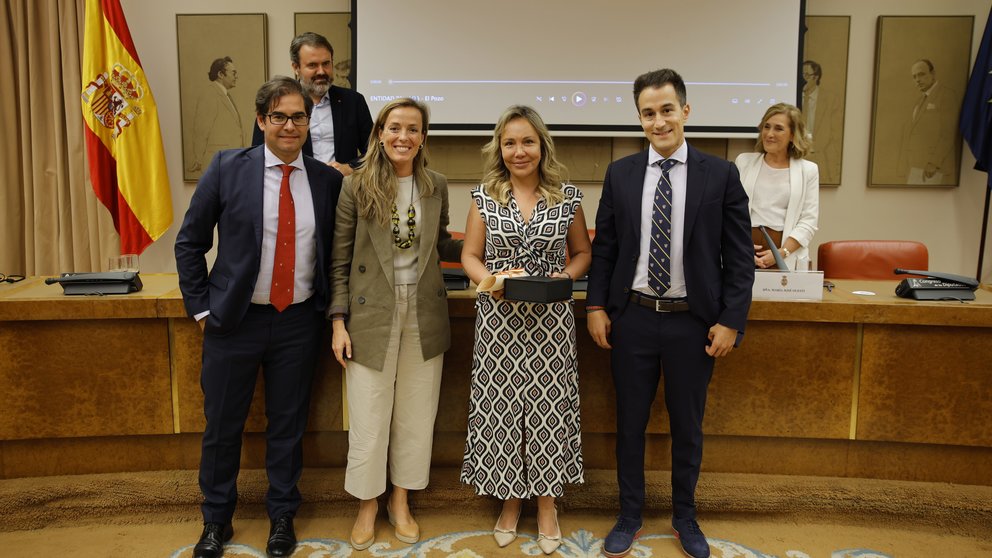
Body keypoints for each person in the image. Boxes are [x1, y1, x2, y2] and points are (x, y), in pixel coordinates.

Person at [586, 68, 753, 558]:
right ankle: (630, 514)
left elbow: (740, 259)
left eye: (666, 110)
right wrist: (596, 305)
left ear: (685, 110)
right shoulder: (621, 173)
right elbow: (606, 250)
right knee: (630, 423)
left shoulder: (720, 174)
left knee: (687, 425)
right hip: (632, 318)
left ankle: (685, 516)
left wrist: (731, 320)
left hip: (693, 323)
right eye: (647, 113)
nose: (658, 121)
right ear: (639, 119)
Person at [175, 76, 341, 558]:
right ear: (261, 120)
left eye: (299, 117)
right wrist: (203, 307)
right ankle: (216, 520)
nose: (290, 125)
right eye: (280, 116)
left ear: (308, 122)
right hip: (235, 321)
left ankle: (282, 517)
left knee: (287, 426)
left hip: (298, 324)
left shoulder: (327, 180)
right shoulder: (228, 167)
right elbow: (190, 242)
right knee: (223, 424)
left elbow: (333, 253)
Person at [329, 98, 462, 550]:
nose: (403, 136)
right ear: (380, 133)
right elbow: (340, 260)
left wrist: (486, 237)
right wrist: (338, 321)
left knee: (416, 413)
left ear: (424, 137)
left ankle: (400, 500)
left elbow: (443, 242)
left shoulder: (436, 185)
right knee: (369, 414)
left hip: (423, 311)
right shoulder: (356, 186)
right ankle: (368, 503)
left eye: (413, 129)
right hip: (371, 312)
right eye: (394, 128)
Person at [460, 105, 591, 555]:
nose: (519, 151)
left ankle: (548, 504)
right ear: (500, 146)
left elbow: (582, 254)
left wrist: (566, 277)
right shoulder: (484, 196)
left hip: (551, 324)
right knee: (502, 411)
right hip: (499, 324)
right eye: (510, 142)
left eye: (528, 142)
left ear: (542, 146)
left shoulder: (567, 197)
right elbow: (469, 256)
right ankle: (511, 502)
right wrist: (491, 282)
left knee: (548, 411)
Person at [252, 32, 373, 176]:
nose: (321, 71)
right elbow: (259, 152)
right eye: (313, 65)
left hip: (343, 189)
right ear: (296, 68)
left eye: (326, 64)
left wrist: (350, 167)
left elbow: (373, 150)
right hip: (294, 185)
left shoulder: (353, 101)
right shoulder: (276, 103)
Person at [735, 103, 819, 270]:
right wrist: (740, 249)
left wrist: (781, 253)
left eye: (778, 129)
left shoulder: (808, 170)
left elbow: (809, 221)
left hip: (785, 255)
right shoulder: (743, 162)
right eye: (766, 127)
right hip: (745, 253)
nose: (769, 134)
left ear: (792, 135)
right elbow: (729, 213)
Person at [899, 59, 959, 185]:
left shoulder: (946, 95)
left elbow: (948, 133)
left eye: (921, 74)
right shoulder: (919, 100)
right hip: (915, 167)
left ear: (933, 74)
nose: (917, 80)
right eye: (914, 77)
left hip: (933, 169)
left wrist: (934, 163)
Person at [187, 57, 245, 174]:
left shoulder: (225, 95)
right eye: (233, 73)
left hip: (229, 162)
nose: (236, 77)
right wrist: (199, 159)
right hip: (217, 163)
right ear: (220, 74)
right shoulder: (210, 94)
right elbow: (201, 131)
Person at [801, 60, 842, 184]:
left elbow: (836, 134)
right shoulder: (793, 97)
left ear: (816, 77)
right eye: (802, 75)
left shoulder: (830, 100)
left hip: (821, 156)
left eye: (807, 75)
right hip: (795, 157)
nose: (803, 79)